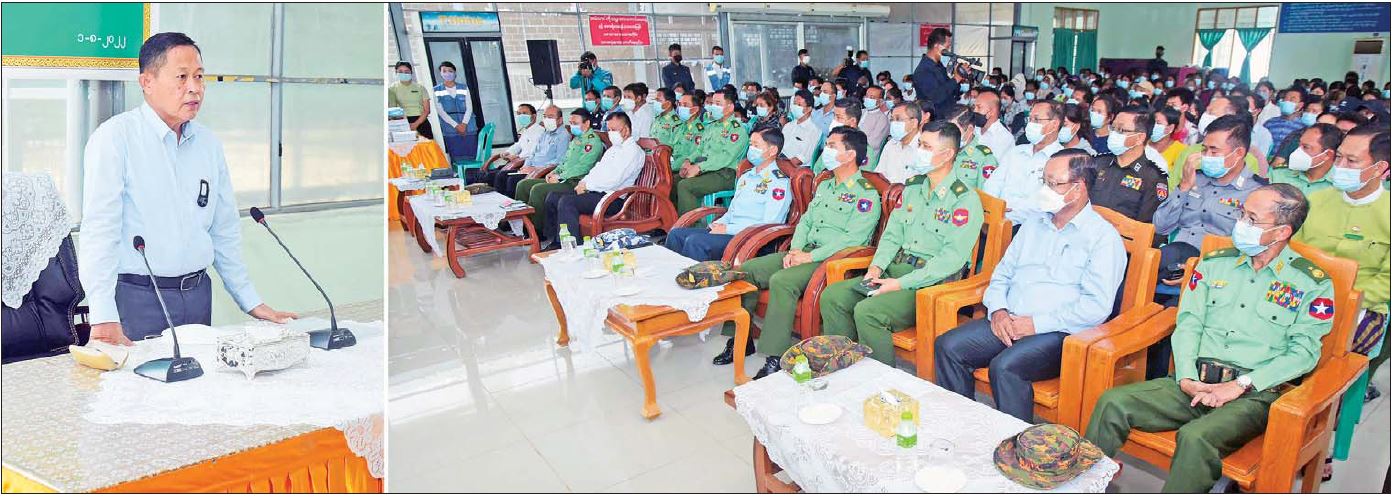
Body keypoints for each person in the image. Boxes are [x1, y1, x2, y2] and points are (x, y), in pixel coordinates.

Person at [1084, 184, 1332, 493]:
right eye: (1242, 214)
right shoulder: (1215, 264)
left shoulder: (1310, 283)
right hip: (1195, 381)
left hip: (1252, 394)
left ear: (1281, 232)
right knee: (1112, 403)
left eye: (1252, 219)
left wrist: (1240, 385)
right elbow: (1189, 323)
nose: (1240, 224)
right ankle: (1083, 486)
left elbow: (1304, 352)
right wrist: (1187, 377)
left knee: (1196, 438)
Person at [80, 32, 296, 344]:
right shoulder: (115, 139)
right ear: (147, 82)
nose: (194, 88)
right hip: (139, 299)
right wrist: (103, 315)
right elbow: (99, 231)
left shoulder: (208, 144)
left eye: (199, 76)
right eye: (181, 77)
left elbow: (224, 230)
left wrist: (250, 300)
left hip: (197, 296)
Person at [936, 149, 1127, 422]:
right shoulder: (1034, 224)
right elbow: (1002, 274)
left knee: (1005, 367)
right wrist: (998, 310)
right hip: (1009, 320)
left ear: (1078, 188)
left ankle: (1015, 439)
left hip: (1059, 333)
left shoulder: (1102, 238)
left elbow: (1095, 307)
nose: (1044, 190)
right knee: (949, 346)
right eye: (1044, 181)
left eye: (1053, 184)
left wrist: (1035, 324)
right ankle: (964, 425)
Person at [714, 127, 882, 375]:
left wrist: (809, 257)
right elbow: (805, 221)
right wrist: (795, 250)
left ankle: (775, 356)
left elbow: (853, 240)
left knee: (782, 280)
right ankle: (741, 338)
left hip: (830, 261)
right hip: (803, 251)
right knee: (746, 271)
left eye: (832, 146)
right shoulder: (826, 185)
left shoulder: (865, 194)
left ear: (850, 155)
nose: (826, 150)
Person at [820, 122, 983, 367]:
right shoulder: (913, 188)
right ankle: (845, 365)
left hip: (930, 284)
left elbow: (951, 259)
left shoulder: (964, 199)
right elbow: (892, 235)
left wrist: (900, 284)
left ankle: (880, 379)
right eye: (920, 144)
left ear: (947, 154)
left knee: (868, 311)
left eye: (926, 146)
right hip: (894, 270)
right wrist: (876, 268)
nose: (919, 151)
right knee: (833, 296)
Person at [1295, 125, 1390, 403]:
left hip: (1362, 306)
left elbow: (1386, 281)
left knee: (1335, 358)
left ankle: (1318, 412)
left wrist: (1345, 303)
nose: (1340, 167)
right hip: (1304, 294)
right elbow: (1293, 255)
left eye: (1352, 161)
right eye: (1339, 158)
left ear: (1379, 168)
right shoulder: (1316, 201)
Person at [665, 128, 793, 262]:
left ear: (772, 150)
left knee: (695, 242)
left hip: (750, 240)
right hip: (729, 231)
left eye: (756, 145)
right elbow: (732, 211)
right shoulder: (746, 176)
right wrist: (718, 224)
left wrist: (728, 229)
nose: (751, 149)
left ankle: (694, 274)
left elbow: (769, 225)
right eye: (750, 144)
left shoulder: (779, 183)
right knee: (676, 235)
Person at [541, 113, 643, 249]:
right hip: (596, 192)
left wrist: (587, 185)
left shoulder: (632, 151)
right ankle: (555, 240)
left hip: (612, 199)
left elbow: (614, 180)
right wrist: (583, 183)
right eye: (609, 130)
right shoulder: (614, 149)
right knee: (553, 197)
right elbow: (597, 169)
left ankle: (572, 246)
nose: (610, 133)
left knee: (567, 202)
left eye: (613, 130)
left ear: (626, 130)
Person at [983, 100, 1066, 225]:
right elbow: (993, 183)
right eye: (1030, 119)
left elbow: (1044, 203)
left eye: (1036, 120)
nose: (1030, 124)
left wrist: (1007, 211)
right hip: (993, 220)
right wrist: (994, 207)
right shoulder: (1016, 152)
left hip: (1030, 227)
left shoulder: (1061, 161)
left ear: (1054, 124)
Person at [515, 108, 598, 230]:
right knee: (523, 184)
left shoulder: (592, 141)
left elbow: (584, 167)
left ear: (587, 123)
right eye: (571, 123)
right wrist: (554, 172)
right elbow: (564, 161)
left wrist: (560, 177)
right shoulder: (577, 139)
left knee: (538, 190)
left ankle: (535, 231)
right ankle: (518, 226)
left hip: (576, 181)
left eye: (575, 123)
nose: (572, 126)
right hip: (564, 178)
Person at [673, 87, 750, 215]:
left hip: (725, 174)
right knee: (673, 180)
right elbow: (699, 150)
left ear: (730, 107)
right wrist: (688, 161)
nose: (713, 107)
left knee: (685, 186)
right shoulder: (711, 126)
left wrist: (699, 168)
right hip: (707, 169)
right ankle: (673, 220)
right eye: (713, 103)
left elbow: (724, 158)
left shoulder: (737, 130)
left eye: (718, 104)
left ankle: (691, 224)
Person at [1089, 105, 1170, 223]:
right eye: (1112, 128)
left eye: (1121, 130)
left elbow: (1145, 227)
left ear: (1139, 138)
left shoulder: (1153, 178)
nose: (1113, 134)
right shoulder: (1097, 163)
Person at [494, 105, 570, 196]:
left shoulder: (563, 136)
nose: (546, 119)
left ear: (560, 120)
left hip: (543, 171)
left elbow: (559, 161)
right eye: (545, 116)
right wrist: (525, 167)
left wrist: (535, 169)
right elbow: (533, 154)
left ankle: (515, 205)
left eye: (550, 117)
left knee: (512, 180)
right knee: (502, 175)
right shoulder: (546, 134)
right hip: (531, 168)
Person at [1269, 123, 1341, 196]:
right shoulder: (1277, 174)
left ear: (1327, 154)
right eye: (1299, 145)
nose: (1298, 151)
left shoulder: (1341, 185)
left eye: (1306, 147)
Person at [480, 103, 542, 180]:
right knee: (486, 174)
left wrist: (515, 158)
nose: (521, 116)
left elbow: (531, 154)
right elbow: (516, 147)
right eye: (519, 114)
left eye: (524, 113)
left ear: (533, 116)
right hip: (518, 162)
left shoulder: (539, 132)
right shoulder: (526, 131)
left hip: (526, 165)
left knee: (491, 176)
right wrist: (506, 154)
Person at [944, 105, 999, 189]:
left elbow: (985, 194)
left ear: (969, 129)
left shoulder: (984, 159)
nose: (948, 136)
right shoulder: (942, 149)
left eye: (953, 131)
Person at [431, 61, 474, 163]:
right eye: (444, 71)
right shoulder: (436, 90)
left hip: (468, 126)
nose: (447, 73)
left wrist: (464, 124)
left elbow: (469, 108)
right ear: (440, 73)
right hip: (450, 128)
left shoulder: (464, 88)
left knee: (472, 155)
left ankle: (474, 174)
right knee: (456, 157)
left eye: (450, 71)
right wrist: (456, 126)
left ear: (455, 73)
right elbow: (441, 112)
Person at [873, 101, 924, 184]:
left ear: (914, 123)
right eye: (892, 119)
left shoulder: (924, 148)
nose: (893, 123)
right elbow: (879, 174)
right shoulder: (890, 144)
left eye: (898, 119)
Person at [913, 27, 958, 119]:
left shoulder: (939, 66)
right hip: (935, 120)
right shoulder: (924, 70)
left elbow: (951, 91)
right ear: (936, 46)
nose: (948, 50)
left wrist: (958, 77)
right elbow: (936, 97)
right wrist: (956, 79)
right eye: (947, 47)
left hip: (947, 116)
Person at [389, 61, 432, 140]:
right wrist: (405, 124)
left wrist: (415, 124)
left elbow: (427, 110)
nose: (404, 74)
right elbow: (392, 110)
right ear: (396, 72)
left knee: (427, 146)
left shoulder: (420, 88)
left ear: (411, 72)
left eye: (406, 71)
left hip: (421, 121)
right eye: (400, 71)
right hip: (402, 122)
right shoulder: (392, 89)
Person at [668, 92, 707, 174]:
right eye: (680, 104)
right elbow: (669, 148)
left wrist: (669, 167)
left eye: (685, 105)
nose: (681, 108)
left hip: (683, 169)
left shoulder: (699, 131)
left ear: (695, 109)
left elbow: (693, 156)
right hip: (671, 166)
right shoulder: (678, 127)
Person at [781, 89, 822, 167]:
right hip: (780, 162)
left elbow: (799, 160)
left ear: (809, 109)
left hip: (796, 168)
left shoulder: (814, 130)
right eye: (794, 104)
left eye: (799, 105)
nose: (795, 107)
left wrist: (781, 164)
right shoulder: (788, 126)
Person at [1264, 88, 1308, 158]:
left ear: (1300, 105)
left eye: (1292, 99)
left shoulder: (1303, 128)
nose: (1287, 101)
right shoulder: (1270, 123)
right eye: (1285, 98)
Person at [822, 99, 863, 172]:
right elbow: (817, 168)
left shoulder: (862, 150)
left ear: (853, 121)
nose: (834, 121)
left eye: (839, 117)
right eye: (834, 116)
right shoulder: (832, 140)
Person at [974, 88, 1015, 158]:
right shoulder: (972, 129)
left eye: (979, 107)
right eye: (974, 107)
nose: (975, 110)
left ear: (992, 111)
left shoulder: (1005, 138)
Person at [859, 86, 890, 154]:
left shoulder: (882, 119)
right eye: (867, 96)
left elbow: (874, 143)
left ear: (880, 101)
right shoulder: (860, 112)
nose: (867, 99)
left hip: (867, 154)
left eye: (872, 97)